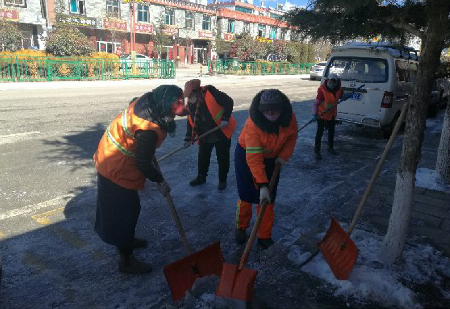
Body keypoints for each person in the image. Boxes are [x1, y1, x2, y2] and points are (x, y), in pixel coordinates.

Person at [93, 85, 185, 274]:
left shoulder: (148, 101)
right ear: (164, 105)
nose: (175, 114)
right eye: (174, 108)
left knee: (130, 208)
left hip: (110, 155)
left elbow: (134, 104)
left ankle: (127, 240)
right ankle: (125, 260)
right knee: (125, 213)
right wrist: (160, 182)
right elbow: (143, 163)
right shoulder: (148, 131)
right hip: (116, 167)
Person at [234, 89, 298, 250]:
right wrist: (262, 184)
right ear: (260, 110)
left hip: (273, 158)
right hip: (247, 156)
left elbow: (292, 137)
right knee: (247, 195)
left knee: (268, 199)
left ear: (281, 109)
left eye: (274, 110)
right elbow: (254, 159)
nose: (270, 112)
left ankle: (264, 235)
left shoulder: (289, 119)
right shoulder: (253, 125)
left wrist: (283, 156)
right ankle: (241, 227)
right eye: (266, 110)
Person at [183, 79, 236, 190]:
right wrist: (188, 137)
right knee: (203, 156)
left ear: (194, 90)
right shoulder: (190, 102)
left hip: (221, 130)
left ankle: (222, 180)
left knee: (222, 157)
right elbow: (190, 120)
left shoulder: (211, 92)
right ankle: (201, 177)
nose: (188, 97)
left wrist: (225, 118)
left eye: (189, 94)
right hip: (204, 133)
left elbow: (229, 101)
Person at [312, 73, 344, 160]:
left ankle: (330, 148)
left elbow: (341, 96)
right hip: (321, 115)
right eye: (330, 81)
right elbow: (316, 104)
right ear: (327, 80)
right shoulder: (322, 90)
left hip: (332, 115)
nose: (331, 83)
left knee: (331, 132)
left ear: (336, 82)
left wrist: (344, 97)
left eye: (333, 81)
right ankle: (317, 151)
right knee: (320, 133)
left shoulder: (339, 89)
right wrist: (314, 114)